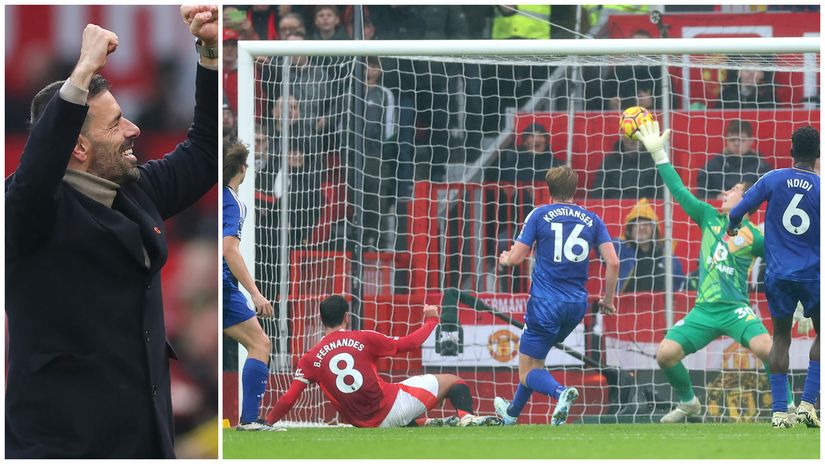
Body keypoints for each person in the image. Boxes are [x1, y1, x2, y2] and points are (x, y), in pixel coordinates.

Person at [5, 6, 217, 458]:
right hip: (64, 445)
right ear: (76, 145)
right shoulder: (26, 211)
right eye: (116, 122)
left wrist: (210, 56)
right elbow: (36, 172)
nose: (133, 129)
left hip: (144, 437)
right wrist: (81, 73)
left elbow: (203, 154)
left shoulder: (134, 189)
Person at [635, 121, 794, 424]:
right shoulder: (708, 217)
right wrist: (659, 155)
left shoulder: (755, 237)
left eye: (733, 190)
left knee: (768, 349)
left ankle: (787, 406)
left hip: (736, 310)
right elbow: (679, 191)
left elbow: (781, 262)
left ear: (747, 201)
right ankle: (689, 402)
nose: (725, 192)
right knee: (665, 354)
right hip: (704, 311)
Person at [494, 166, 620, 426]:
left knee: (528, 370)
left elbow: (517, 258)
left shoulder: (539, 214)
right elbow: (614, 263)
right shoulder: (592, 219)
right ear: (574, 189)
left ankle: (561, 393)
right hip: (576, 305)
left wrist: (506, 259)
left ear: (548, 188)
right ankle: (511, 414)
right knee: (535, 360)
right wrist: (607, 300)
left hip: (545, 302)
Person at [264, 295, 502, 427]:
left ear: (321, 320)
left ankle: (425, 424)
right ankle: (467, 419)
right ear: (347, 317)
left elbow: (289, 398)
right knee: (453, 381)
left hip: (361, 422)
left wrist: (268, 422)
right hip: (392, 408)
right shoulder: (364, 338)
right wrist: (431, 321)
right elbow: (408, 344)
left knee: (402, 398)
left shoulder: (310, 358)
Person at [727, 126, 820, 428]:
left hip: (778, 273)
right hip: (812, 275)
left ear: (791, 151)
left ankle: (780, 412)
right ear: (818, 154)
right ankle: (808, 403)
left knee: (780, 338)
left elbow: (738, 210)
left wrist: (731, 226)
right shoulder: (820, 187)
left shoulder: (773, 178)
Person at [222, 142, 279, 431]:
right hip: (221, 283)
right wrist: (255, 293)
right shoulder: (233, 202)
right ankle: (250, 419)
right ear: (242, 169)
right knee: (260, 343)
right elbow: (229, 250)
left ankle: (248, 419)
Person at [616, 198, 685, 293]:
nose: (641, 227)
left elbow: (679, 283)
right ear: (629, 230)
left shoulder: (665, 254)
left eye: (646, 224)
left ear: (654, 229)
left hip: (660, 306)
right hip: (626, 305)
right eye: (636, 224)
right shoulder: (620, 250)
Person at [696, 120, 770, 200]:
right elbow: (701, 195)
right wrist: (717, 198)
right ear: (726, 140)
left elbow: (767, 194)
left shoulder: (761, 167)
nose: (736, 144)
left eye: (742, 140)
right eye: (732, 140)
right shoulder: (712, 166)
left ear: (751, 140)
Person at [590, 136, 662, 200]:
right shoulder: (609, 162)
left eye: (637, 135)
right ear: (622, 136)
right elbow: (597, 194)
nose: (633, 140)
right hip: (613, 210)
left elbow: (660, 195)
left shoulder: (654, 162)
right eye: (630, 135)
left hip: (647, 211)